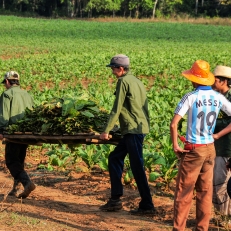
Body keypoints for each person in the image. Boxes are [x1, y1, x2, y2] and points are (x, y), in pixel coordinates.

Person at [170, 60, 231, 231]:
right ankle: (202, 228)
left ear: (195, 79)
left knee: (184, 192)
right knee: (205, 192)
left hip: (193, 149)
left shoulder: (191, 96)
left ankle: (179, 228)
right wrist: (217, 134)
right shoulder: (218, 97)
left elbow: (174, 124)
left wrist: (175, 145)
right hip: (210, 148)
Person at [99, 54, 155, 215]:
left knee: (137, 166)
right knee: (115, 158)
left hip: (133, 130)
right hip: (137, 128)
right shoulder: (137, 81)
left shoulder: (123, 82)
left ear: (121, 69)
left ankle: (147, 205)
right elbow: (144, 107)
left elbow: (116, 108)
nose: (112, 72)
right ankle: (115, 199)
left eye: (113, 69)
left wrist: (106, 131)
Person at [0, 71, 35, 198]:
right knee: (19, 160)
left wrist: (2, 130)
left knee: (11, 161)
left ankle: (27, 182)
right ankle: (15, 189)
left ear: (8, 82)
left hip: (13, 133)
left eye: (5, 83)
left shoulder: (7, 94)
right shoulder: (27, 94)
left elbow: (4, 114)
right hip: (26, 133)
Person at [212, 65, 231, 217]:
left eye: (215, 80)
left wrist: (217, 135)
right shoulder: (216, 97)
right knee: (217, 183)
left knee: (221, 183)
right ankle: (222, 217)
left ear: (224, 81)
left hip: (227, 147)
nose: (212, 83)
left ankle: (225, 219)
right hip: (217, 147)